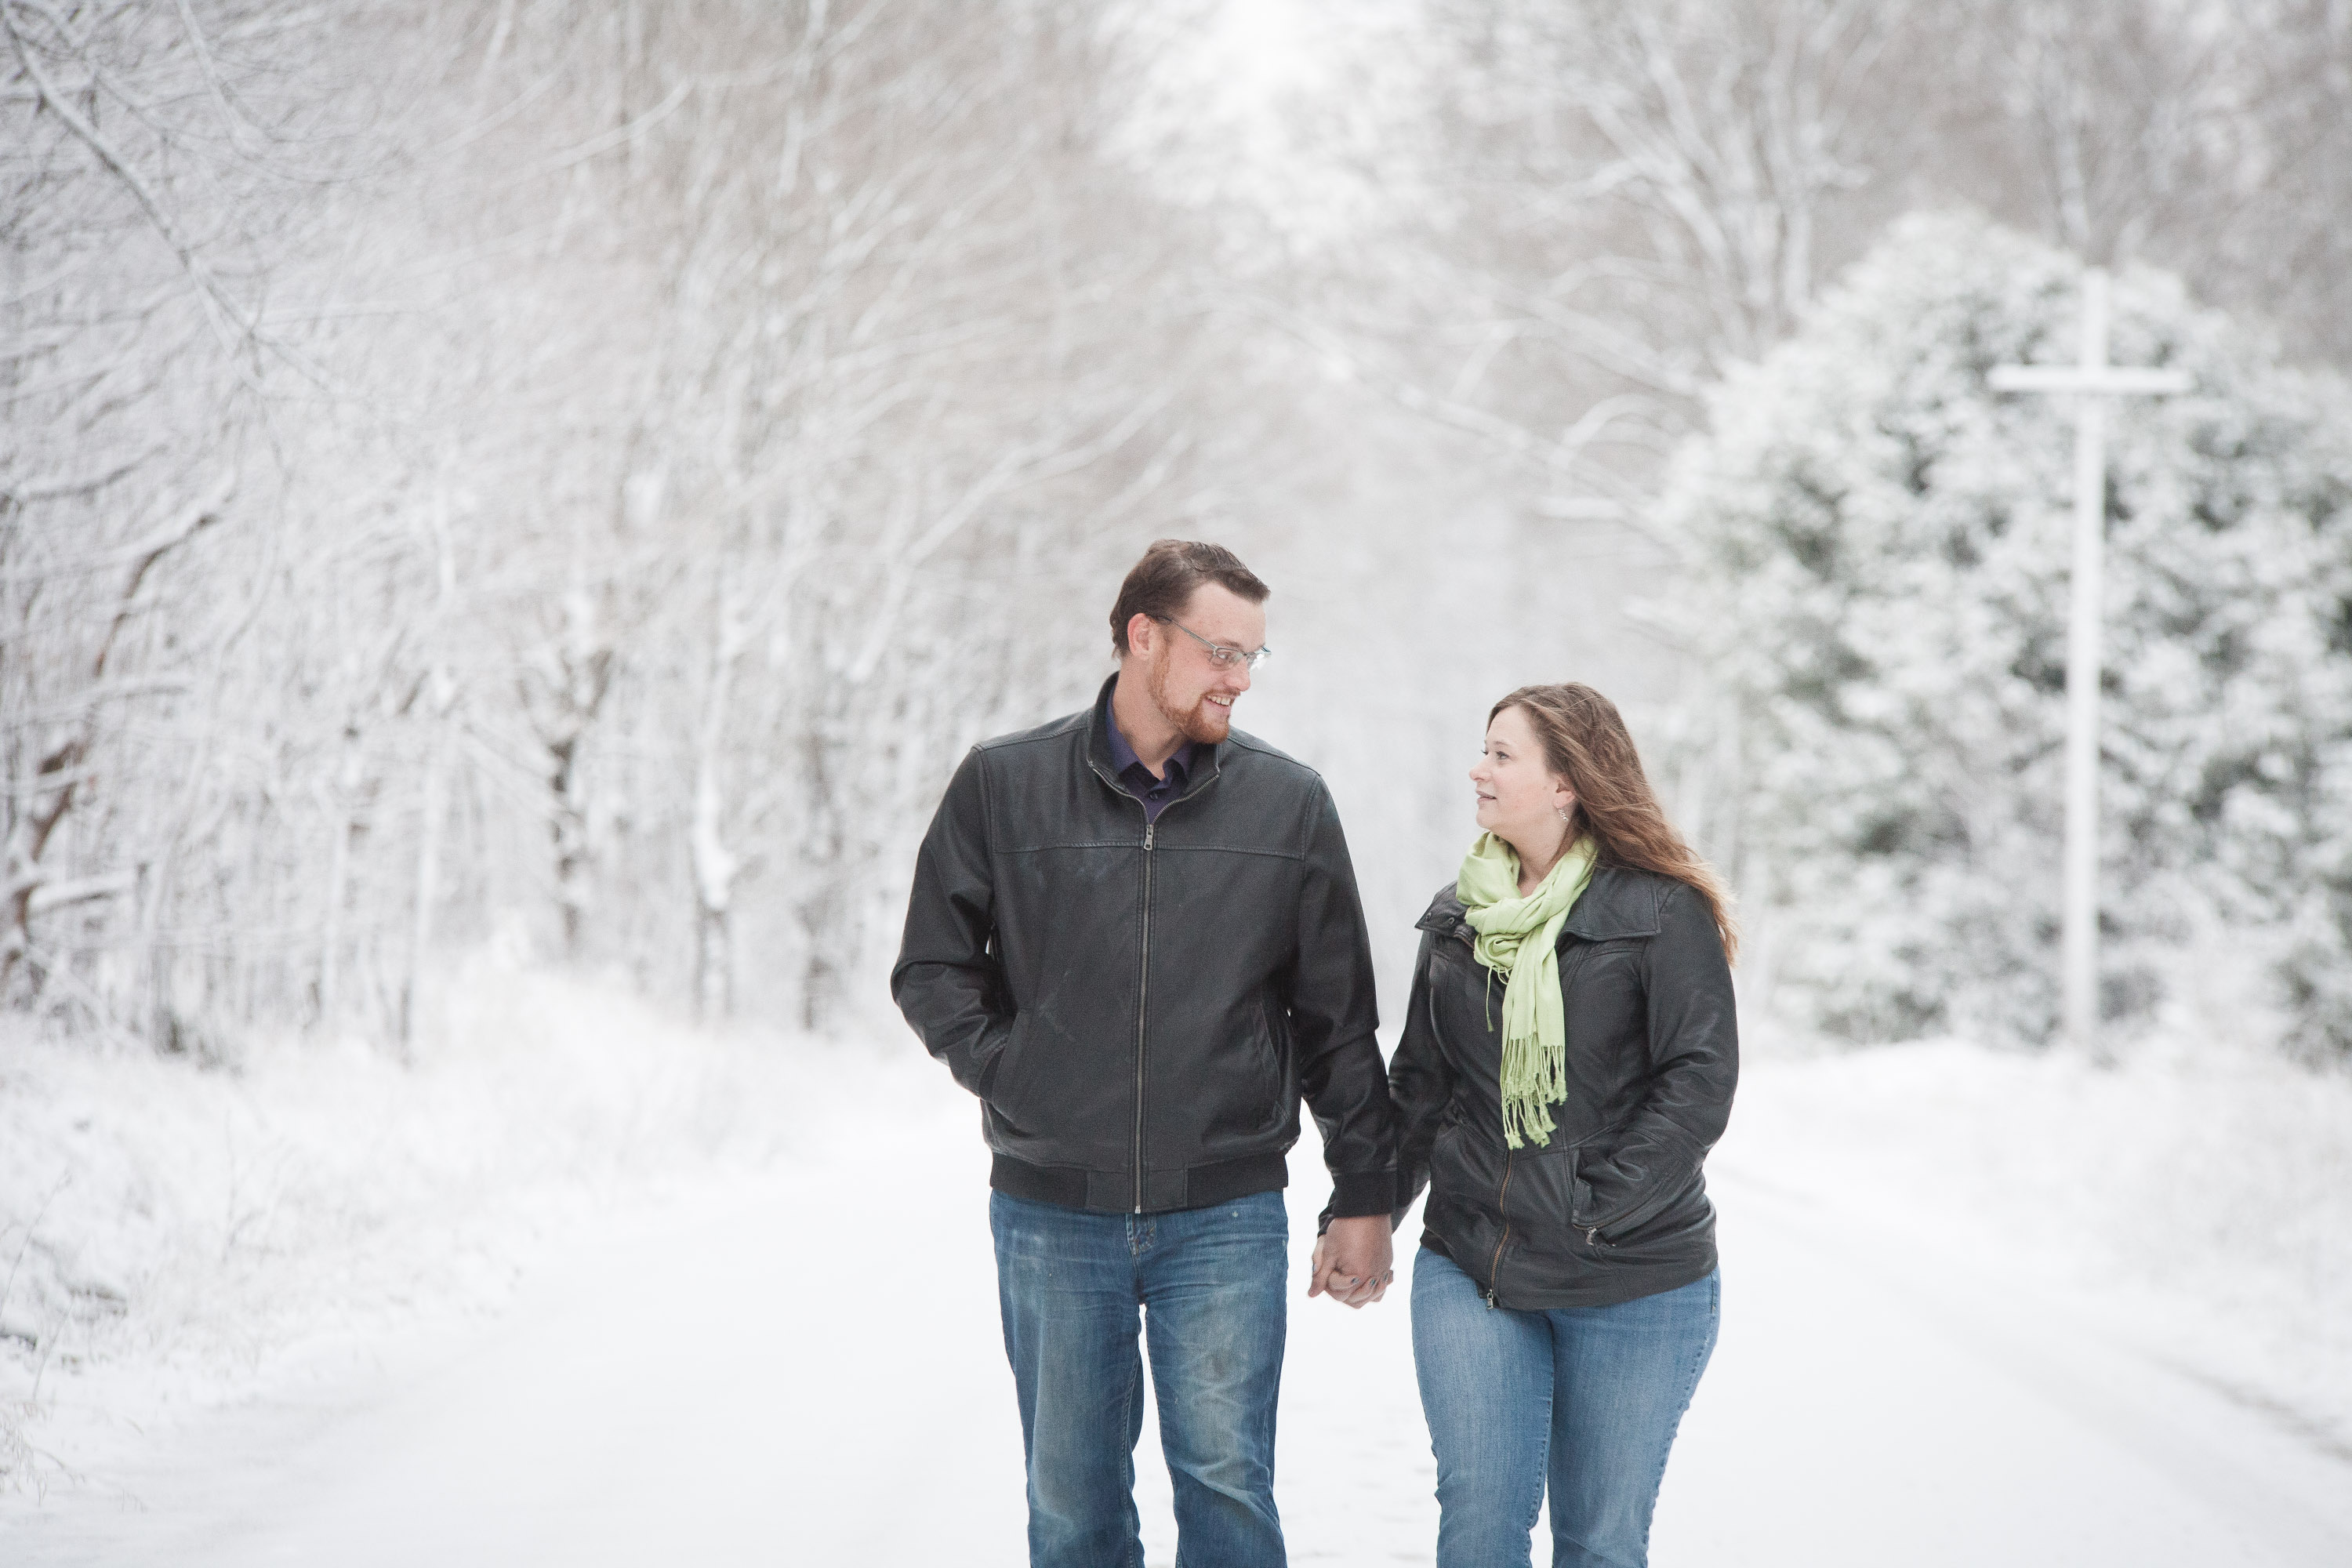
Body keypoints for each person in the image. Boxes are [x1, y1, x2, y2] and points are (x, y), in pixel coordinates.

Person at [892, 539, 1399, 1568]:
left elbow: (1337, 1018)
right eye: (1222, 652)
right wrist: (1025, 1074)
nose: (1239, 679)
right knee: (1072, 1502)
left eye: (1255, 657)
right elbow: (933, 970)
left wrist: (1364, 1197)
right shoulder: (1005, 785)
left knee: (1228, 1494)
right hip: (1050, 1212)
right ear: (1142, 635)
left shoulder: (1287, 804)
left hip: (1224, 1212)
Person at [1390, 683, 1738, 1568]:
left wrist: (1594, 1205)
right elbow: (1421, 1084)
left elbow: (1698, 1081)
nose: (1480, 767)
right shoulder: (1459, 916)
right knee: (1479, 1527)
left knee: (1599, 1540)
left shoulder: (1663, 912)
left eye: (1503, 754)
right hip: (1476, 1262)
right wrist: (1363, 1210)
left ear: (1567, 784)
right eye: (1485, 747)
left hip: (1631, 1276)